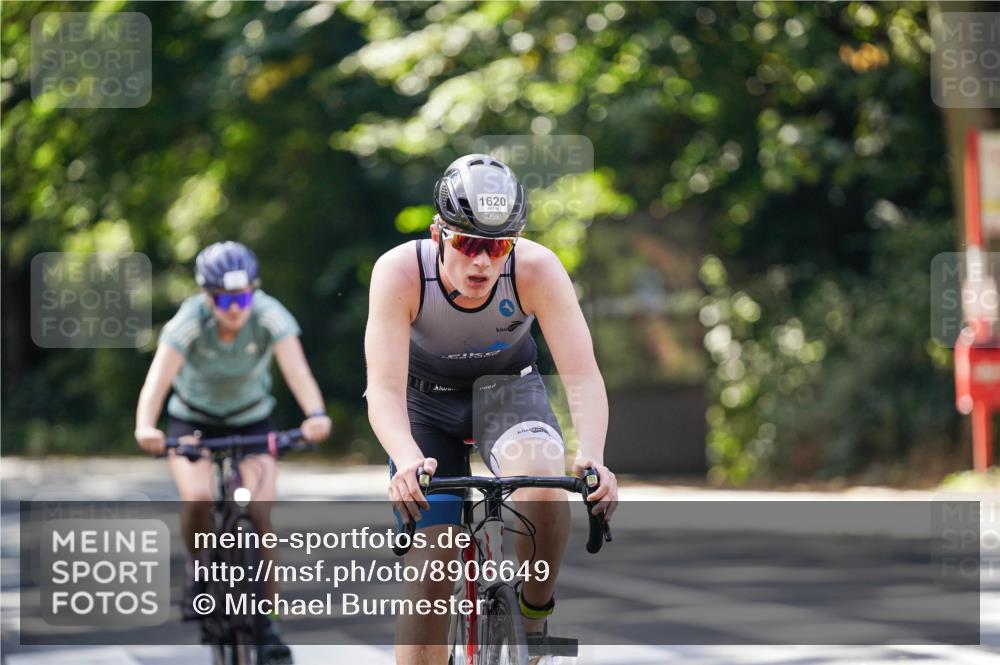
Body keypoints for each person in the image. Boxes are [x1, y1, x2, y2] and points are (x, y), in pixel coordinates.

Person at [365, 154, 618, 664]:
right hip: (422, 405)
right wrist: (405, 459)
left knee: (545, 485)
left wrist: (593, 455)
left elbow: (583, 374)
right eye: (469, 244)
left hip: (506, 392)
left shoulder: (536, 268)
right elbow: (384, 390)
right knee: (432, 571)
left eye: (498, 246)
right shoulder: (399, 272)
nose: (482, 261)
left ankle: (533, 611)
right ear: (439, 235)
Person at [135, 241, 331, 665]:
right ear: (207, 296)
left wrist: (315, 414)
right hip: (194, 423)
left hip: (251, 420)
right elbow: (156, 382)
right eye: (224, 299)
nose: (235, 308)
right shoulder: (190, 322)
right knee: (200, 498)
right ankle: (199, 569)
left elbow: (299, 372)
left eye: (242, 297)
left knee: (259, 513)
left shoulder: (269, 314)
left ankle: (268, 625)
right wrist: (146, 428)